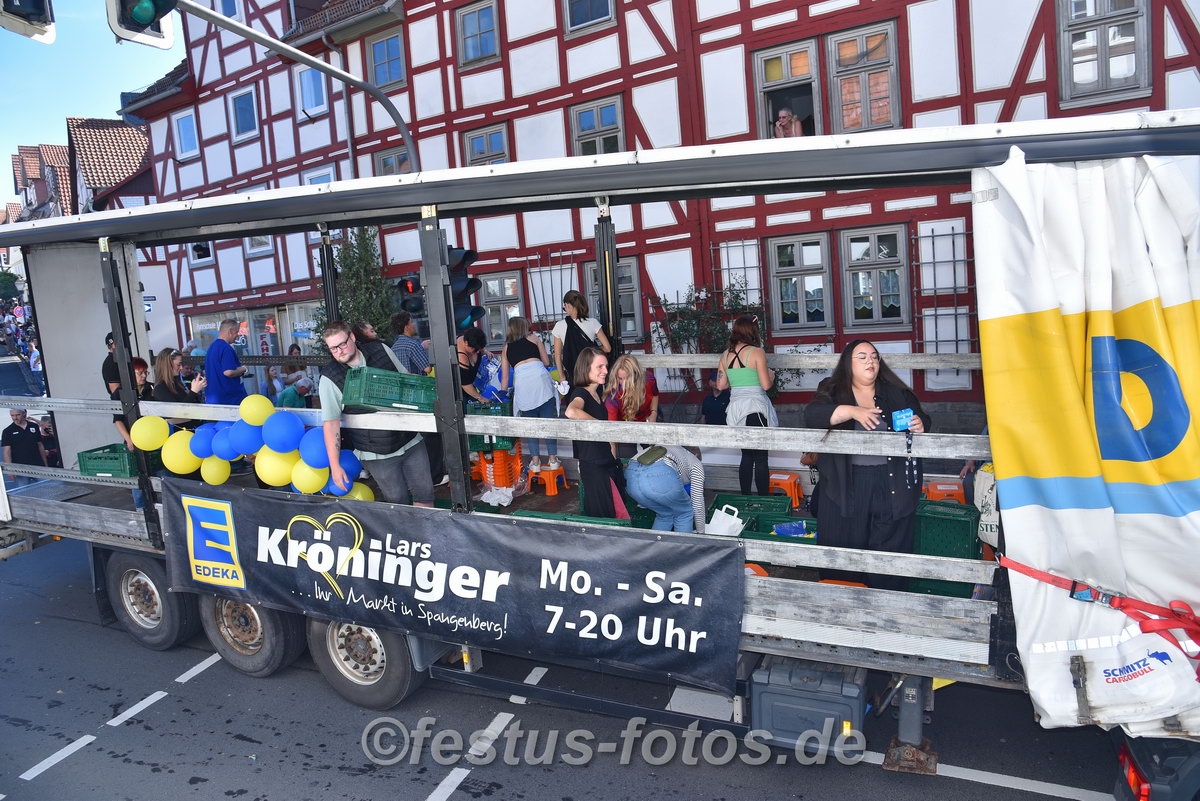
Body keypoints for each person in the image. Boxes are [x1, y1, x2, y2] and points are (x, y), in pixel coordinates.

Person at [804, 340, 931, 591]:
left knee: (889, 551)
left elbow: (923, 418)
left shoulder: (896, 392)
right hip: (846, 484)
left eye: (874, 356)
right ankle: (846, 601)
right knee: (845, 548)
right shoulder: (832, 390)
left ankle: (886, 600)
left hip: (891, 483)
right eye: (862, 357)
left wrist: (921, 423)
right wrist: (853, 411)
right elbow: (812, 416)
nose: (870, 361)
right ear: (848, 363)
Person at [318, 321, 432, 506]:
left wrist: (430, 386)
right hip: (376, 453)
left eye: (342, 344)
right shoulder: (329, 377)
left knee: (425, 494)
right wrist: (335, 465)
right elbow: (331, 424)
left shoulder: (380, 349)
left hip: (410, 438)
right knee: (397, 503)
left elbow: (406, 378)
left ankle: (425, 526)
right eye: (333, 348)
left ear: (352, 337)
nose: (339, 351)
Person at [716, 316, 777, 496]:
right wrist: (771, 376)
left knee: (746, 456)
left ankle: (745, 498)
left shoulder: (725, 355)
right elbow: (766, 385)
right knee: (761, 458)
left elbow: (720, 385)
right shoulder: (757, 352)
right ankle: (764, 499)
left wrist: (737, 380)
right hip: (755, 407)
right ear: (752, 331)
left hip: (736, 408)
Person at [564, 347, 627, 519]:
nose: (605, 371)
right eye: (600, 366)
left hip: (605, 463)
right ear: (586, 368)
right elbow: (571, 411)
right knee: (603, 516)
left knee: (615, 513)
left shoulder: (597, 393)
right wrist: (601, 426)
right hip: (594, 466)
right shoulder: (580, 393)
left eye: (606, 366)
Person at [500, 317, 558, 474]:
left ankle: (535, 461)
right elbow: (546, 362)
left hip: (523, 384)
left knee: (530, 425)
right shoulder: (534, 338)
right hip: (540, 380)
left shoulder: (506, 348)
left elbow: (505, 378)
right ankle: (553, 460)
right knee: (548, 422)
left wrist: (502, 395)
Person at [624, 445, 706, 533]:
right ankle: (682, 542)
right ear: (696, 455)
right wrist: (701, 532)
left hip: (631, 474)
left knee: (665, 514)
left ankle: (656, 542)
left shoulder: (673, 450)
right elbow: (697, 502)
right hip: (659, 472)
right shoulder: (696, 462)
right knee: (684, 513)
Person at [552, 290, 611, 384]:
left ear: (568, 305)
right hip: (591, 370)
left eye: (564, 306)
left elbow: (557, 355)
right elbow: (607, 348)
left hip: (573, 373)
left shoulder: (559, 326)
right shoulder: (593, 322)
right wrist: (592, 350)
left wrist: (562, 377)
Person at [204, 319, 249, 405]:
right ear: (230, 331)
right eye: (236, 332)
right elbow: (228, 372)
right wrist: (244, 369)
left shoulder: (212, 347)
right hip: (229, 399)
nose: (238, 335)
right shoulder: (226, 348)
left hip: (214, 398)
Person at [2, 408, 48, 488]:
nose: (15, 418)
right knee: (24, 491)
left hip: (38, 465)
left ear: (24, 413)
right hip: (21, 469)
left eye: (18, 415)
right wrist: (9, 469)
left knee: (46, 488)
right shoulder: (7, 431)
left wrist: (46, 464)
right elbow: (7, 452)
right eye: (12, 415)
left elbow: (40, 445)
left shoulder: (34, 426)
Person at [457, 326, 491, 404]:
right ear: (466, 343)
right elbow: (465, 384)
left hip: (474, 386)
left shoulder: (472, 341)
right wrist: (481, 398)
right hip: (461, 393)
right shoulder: (462, 357)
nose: (478, 352)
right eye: (475, 349)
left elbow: (478, 345)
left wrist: (485, 351)